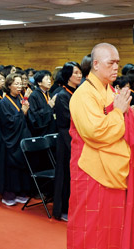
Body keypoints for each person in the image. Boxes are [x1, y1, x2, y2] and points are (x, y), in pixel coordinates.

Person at [66, 43, 134, 249]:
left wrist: (125, 113)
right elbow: (95, 132)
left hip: (113, 167)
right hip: (89, 168)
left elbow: (125, 119)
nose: (116, 66)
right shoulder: (83, 95)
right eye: (111, 62)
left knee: (110, 224)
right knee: (87, 223)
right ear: (96, 65)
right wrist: (120, 113)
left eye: (117, 62)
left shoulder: (108, 90)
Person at [0, 73, 32, 206]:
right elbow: (8, 122)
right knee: (10, 168)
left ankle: (21, 192)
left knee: (22, 167)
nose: (19, 86)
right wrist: (22, 112)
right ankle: (9, 194)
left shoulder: (20, 98)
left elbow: (26, 116)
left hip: (21, 138)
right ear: (9, 86)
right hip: (10, 139)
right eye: (16, 83)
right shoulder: (3, 103)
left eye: (20, 83)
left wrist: (25, 112)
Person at [52, 61, 82, 221]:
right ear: (67, 75)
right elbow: (67, 120)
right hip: (66, 139)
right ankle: (63, 209)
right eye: (75, 73)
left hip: (77, 137)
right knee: (65, 175)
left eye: (79, 72)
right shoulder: (62, 95)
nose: (79, 75)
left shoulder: (77, 93)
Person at [27, 70, 56, 136]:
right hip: (41, 131)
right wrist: (49, 106)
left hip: (52, 128)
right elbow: (34, 116)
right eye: (46, 79)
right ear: (39, 82)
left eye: (49, 79)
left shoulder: (50, 94)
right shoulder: (34, 96)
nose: (49, 81)